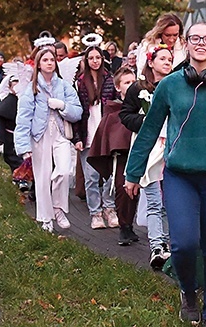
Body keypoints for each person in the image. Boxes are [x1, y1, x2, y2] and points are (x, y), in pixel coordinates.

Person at [124, 22, 206, 327]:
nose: (200, 43)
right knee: (183, 244)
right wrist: (133, 172)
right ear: (186, 43)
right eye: (194, 38)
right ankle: (187, 290)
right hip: (180, 176)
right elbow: (149, 130)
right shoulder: (169, 85)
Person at [14, 48, 82, 232]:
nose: (50, 62)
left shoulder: (64, 86)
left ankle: (58, 208)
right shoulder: (32, 88)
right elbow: (23, 117)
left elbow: (77, 111)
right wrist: (23, 145)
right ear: (38, 64)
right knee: (42, 176)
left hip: (60, 132)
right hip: (39, 134)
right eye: (45, 60)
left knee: (64, 171)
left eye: (52, 59)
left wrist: (63, 106)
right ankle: (46, 219)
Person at [120, 45, 174, 267]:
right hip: (149, 148)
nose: (167, 62)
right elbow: (125, 115)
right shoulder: (138, 89)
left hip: (170, 146)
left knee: (169, 199)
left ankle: (169, 243)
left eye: (170, 58)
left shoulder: (175, 86)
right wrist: (146, 123)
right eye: (162, 58)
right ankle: (157, 247)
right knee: (154, 199)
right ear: (151, 62)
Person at [88, 66, 139, 246]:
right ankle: (125, 226)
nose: (131, 85)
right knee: (123, 189)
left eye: (134, 82)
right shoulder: (112, 110)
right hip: (123, 156)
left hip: (144, 152)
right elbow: (109, 132)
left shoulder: (144, 106)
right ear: (118, 87)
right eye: (127, 83)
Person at [73, 44, 119, 230]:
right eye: (91, 58)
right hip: (87, 133)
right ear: (86, 60)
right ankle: (95, 212)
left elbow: (116, 105)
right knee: (91, 176)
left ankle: (109, 208)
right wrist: (77, 137)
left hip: (105, 133)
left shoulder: (108, 79)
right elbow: (76, 113)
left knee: (109, 175)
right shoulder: (80, 82)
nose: (94, 61)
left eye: (97, 58)